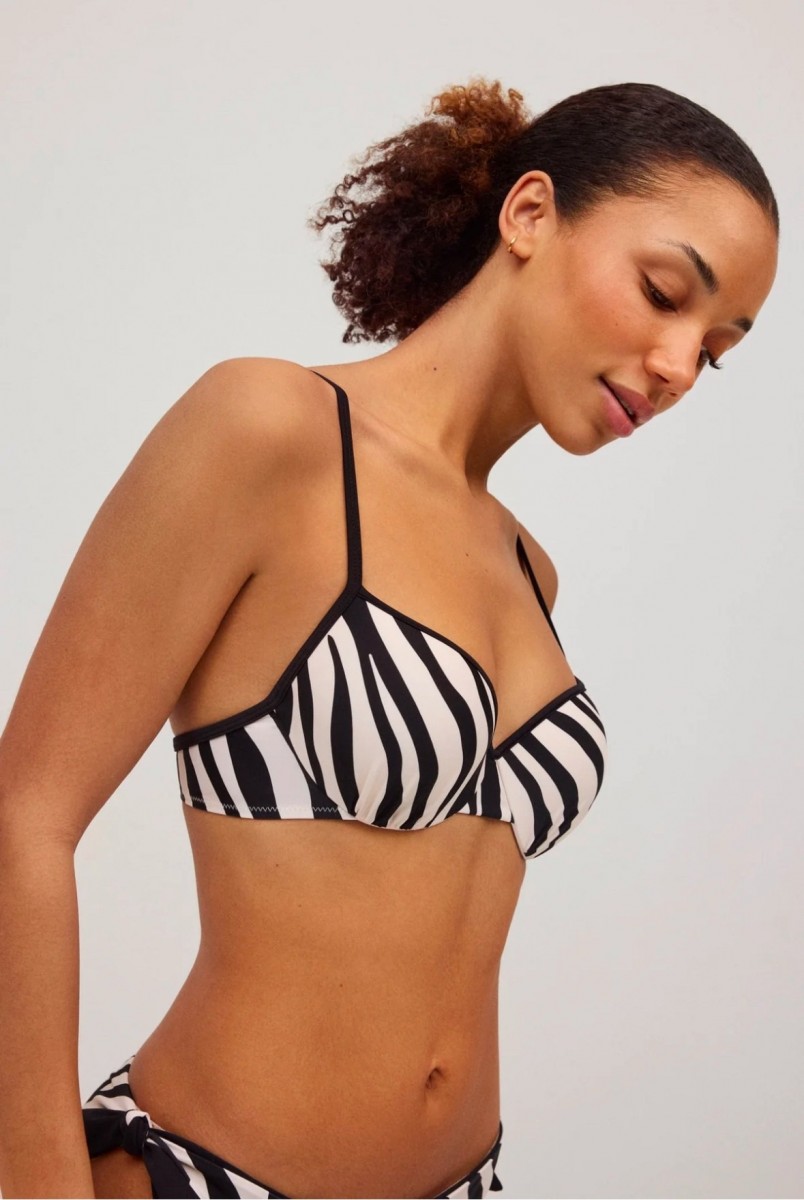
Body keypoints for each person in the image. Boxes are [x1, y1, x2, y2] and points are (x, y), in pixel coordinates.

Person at [0, 76, 778, 1199]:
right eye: (664, 293)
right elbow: (24, 816)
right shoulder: (270, 431)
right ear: (529, 215)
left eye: (714, 349)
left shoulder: (529, 571)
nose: (677, 366)